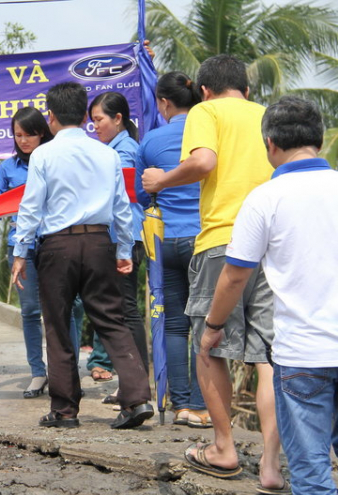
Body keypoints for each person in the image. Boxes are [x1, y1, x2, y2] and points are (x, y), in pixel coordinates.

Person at [142, 55, 283, 490]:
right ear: (245, 86)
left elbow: (203, 162)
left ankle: (224, 448)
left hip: (223, 240)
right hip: (272, 244)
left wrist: (161, 180)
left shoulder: (207, 112)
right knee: (268, 359)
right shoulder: (267, 116)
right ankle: (272, 466)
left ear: (203, 90)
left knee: (209, 345)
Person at [203, 96, 333, 495]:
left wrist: (213, 326)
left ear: (271, 144)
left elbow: (235, 276)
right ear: (321, 140)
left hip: (303, 357)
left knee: (312, 475)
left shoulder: (265, 198)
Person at [11, 81, 152, 430]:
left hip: (58, 246)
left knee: (58, 325)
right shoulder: (106, 153)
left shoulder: (43, 154)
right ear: (84, 115)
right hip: (100, 243)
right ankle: (136, 399)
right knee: (112, 320)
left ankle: (64, 410)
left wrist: (19, 252)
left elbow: (31, 208)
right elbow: (122, 206)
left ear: (52, 116)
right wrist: (123, 249)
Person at [0, 107, 84, 399]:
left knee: (68, 308)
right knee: (31, 311)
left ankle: (67, 370)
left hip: (56, 243)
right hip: (21, 247)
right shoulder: (7, 168)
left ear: (42, 131)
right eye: (18, 135)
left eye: (29, 133)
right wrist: (11, 201)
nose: (23, 140)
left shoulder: (57, 158)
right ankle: (37, 372)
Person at [134, 72, 207, 427]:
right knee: (206, 324)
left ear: (163, 102)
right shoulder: (208, 136)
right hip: (205, 239)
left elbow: (142, 194)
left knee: (175, 326)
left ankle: (180, 405)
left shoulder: (150, 140)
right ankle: (201, 404)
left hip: (166, 241)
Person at [86, 91, 149, 405]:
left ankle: (135, 385)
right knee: (123, 312)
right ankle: (131, 383)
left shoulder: (123, 151)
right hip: (120, 236)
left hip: (123, 237)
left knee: (125, 313)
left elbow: (118, 196)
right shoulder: (114, 148)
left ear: (118, 118)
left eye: (99, 119)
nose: (94, 126)